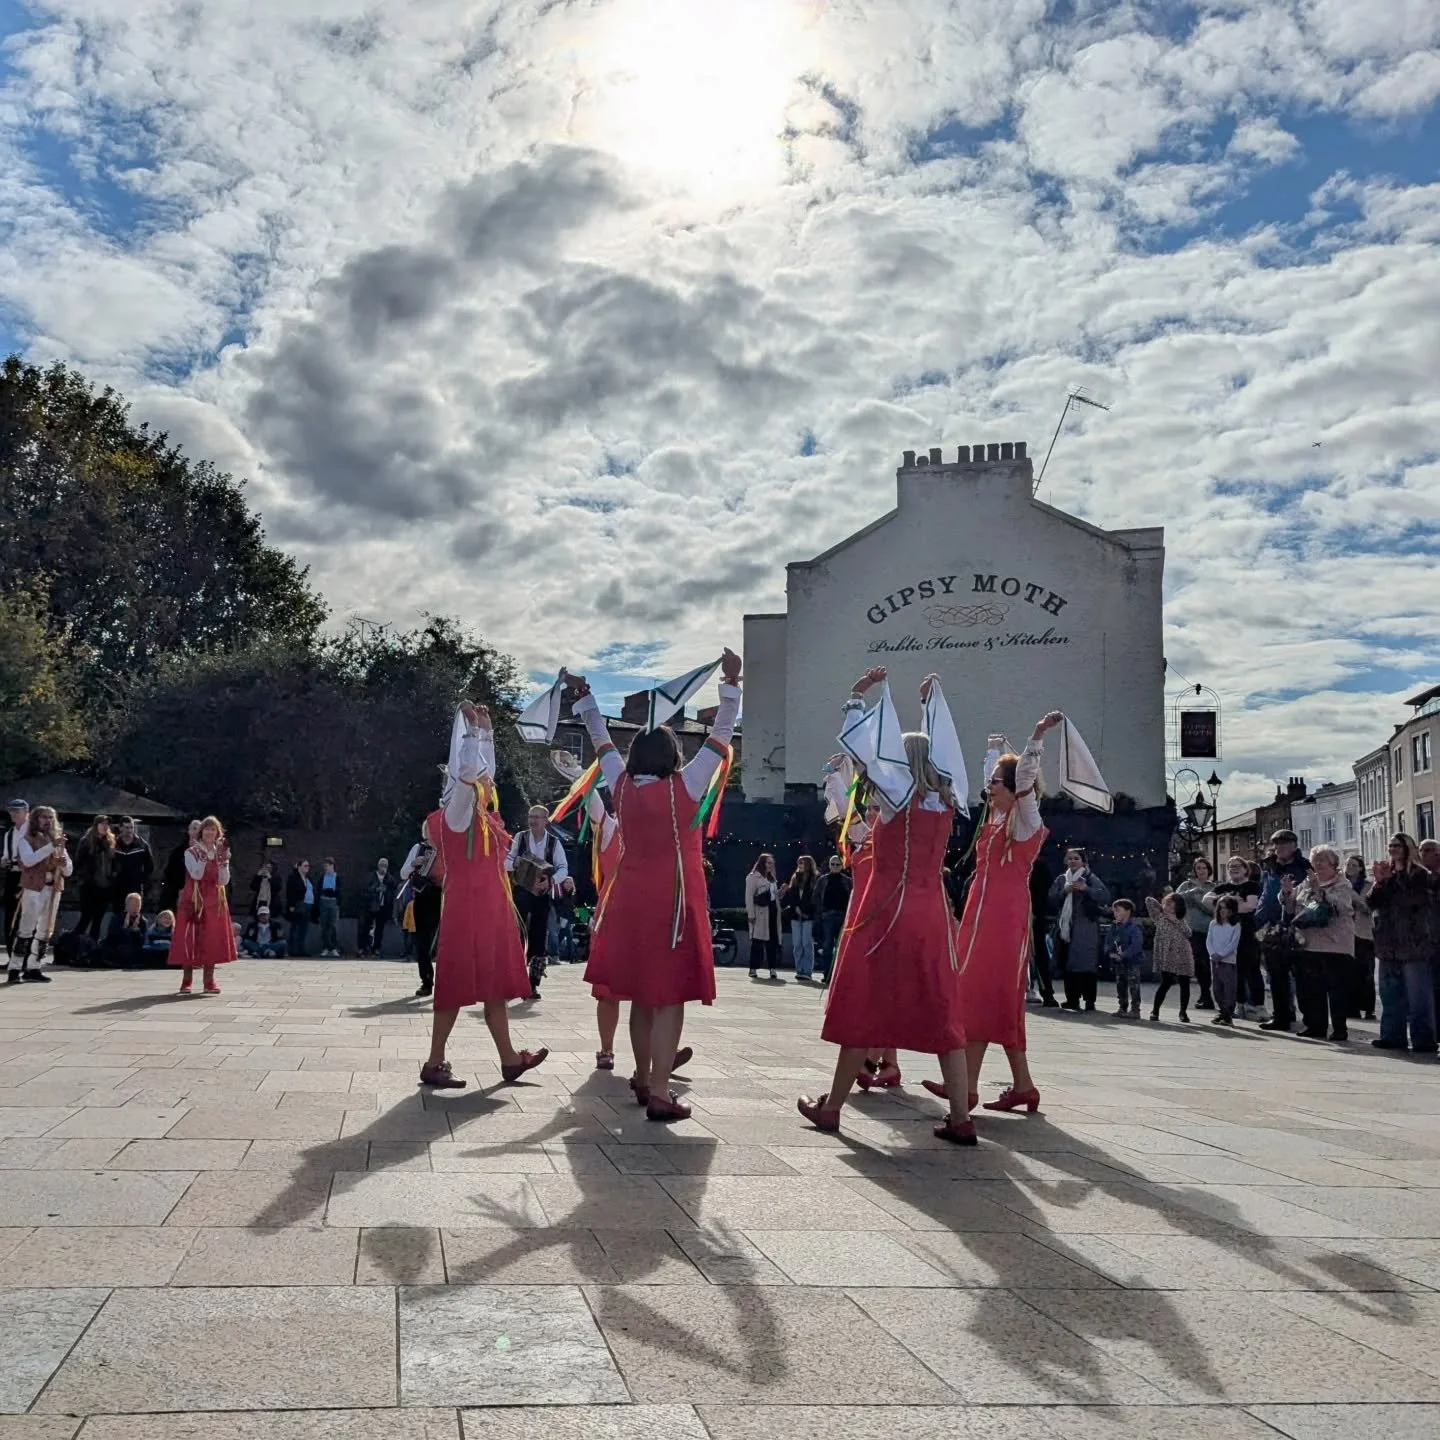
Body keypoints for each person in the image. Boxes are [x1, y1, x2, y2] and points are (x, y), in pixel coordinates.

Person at [800, 669, 978, 1143]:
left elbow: (864, 754)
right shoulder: (948, 801)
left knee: (864, 1005)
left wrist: (856, 697)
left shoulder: (897, 799)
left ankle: (833, 1107)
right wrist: (928, 702)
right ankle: (961, 1118)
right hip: (931, 914)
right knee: (943, 1012)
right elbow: (939, 743)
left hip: (885, 911)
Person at [565, 651, 741, 1123]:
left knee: (642, 995)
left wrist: (585, 700)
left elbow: (601, 742)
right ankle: (661, 1092)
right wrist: (730, 685)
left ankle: (643, 1077)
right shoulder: (684, 787)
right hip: (674, 901)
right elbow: (722, 738)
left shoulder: (619, 785)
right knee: (669, 999)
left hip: (627, 900)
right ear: (673, 756)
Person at [419, 701, 547, 1090]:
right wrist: (473, 733)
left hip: (487, 907)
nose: (491, 784)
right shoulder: (458, 813)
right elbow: (470, 773)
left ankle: (508, 1059)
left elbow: (482, 772)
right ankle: (435, 1061)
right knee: (456, 982)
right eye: (483, 782)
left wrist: (487, 731)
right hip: (469, 908)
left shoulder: (479, 815)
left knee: (492, 985)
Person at [1369, 834, 1437, 1055]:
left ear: (1407, 848)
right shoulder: (1388, 874)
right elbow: (1371, 903)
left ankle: (1423, 1040)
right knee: (1390, 995)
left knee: (1418, 997)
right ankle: (1392, 1036)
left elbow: (1413, 901)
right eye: (1390, 846)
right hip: (1388, 943)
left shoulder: (1420, 875)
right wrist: (1380, 882)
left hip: (1414, 943)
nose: (1392, 850)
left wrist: (1390, 881)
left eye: (1397, 845)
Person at [1282, 844, 1355, 1042]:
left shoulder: (1342, 884)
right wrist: (1287, 893)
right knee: (1312, 989)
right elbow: (1292, 909)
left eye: (1323, 861)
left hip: (1335, 944)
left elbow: (1340, 907)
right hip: (1309, 943)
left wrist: (1319, 891)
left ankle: (1339, 1028)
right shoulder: (1307, 882)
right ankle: (1315, 1026)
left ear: (1333, 864)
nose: (1319, 865)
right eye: (1315, 861)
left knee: (1336, 989)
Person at [506, 806, 573, 999]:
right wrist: (516, 863)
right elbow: (506, 861)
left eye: (537, 817)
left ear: (546, 820)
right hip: (520, 892)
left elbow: (563, 869)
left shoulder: (554, 843)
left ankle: (533, 984)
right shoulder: (520, 838)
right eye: (530, 816)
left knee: (538, 938)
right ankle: (514, 981)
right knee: (517, 935)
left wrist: (550, 881)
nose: (533, 820)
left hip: (542, 895)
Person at [169, 816, 238, 994]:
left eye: (213, 829)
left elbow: (223, 880)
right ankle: (187, 980)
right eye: (207, 829)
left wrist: (223, 862)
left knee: (212, 939)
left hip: (214, 900)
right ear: (201, 832)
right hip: (193, 900)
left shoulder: (220, 852)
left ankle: (209, 980)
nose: (209, 832)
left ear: (217, 833)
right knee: (190, 938)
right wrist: (206, 857)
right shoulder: (191, 852)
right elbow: (196, 875)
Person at [1255, 830, 1312, 1029]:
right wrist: (1259, 919)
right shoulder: (1269, 867)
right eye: (1277, 844)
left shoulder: (1304, 867)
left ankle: (1310, 1020)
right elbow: (1265, 893)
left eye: (1285, 844)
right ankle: (1281, 1016)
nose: (1280, 848)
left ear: (1294, 846)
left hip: (1295, 924)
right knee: (1276, 975)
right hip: (1270, 926)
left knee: (1301, 975)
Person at [6, 806, 70, 983]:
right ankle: (15, 967)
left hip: (53, 888)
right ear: (35, 819)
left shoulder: (56, 841)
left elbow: (69, 870)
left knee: (45, 931)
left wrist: (63, 863)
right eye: (44, 817)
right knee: (26, 928)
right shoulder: (26, 839)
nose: (47, 821)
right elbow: (28, 860)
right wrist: (51, 847)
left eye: (50, 817)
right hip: (34, 888)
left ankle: (34, 966)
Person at [1206, 854, 1265, 1023]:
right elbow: (1206, 900)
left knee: (1252, 969)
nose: (1234, 868)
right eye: (1231, 866)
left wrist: (1226, 905)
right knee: (1234, 973)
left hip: (1247, 932)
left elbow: (1250, 906)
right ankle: (1237, 1005)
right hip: (1226, 933)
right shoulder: (1222, 887)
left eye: (1238, 865)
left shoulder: (1251, 886)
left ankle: (1258, 1006)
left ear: (1246, 869)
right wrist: (1228, 901)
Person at [1052, 847, 1110, 1012]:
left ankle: (1089, 1000)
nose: (1072, 861)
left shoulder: (1090, 878)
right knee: (1069, 964)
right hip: (1066, 927)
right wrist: (1065, 891)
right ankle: (1072, 999)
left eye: (1076, 858)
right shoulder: (1062, 879)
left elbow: (1105, 896)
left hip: (1086, 928)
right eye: (1069, 858)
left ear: (1083, 861)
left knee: (1086, 964)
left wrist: (1086, 889)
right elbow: (1051, 899)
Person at [399, 824, 442, 998]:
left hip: (442, 897)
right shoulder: (418, 848)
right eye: (429, 829)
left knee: (442, 942)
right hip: (423, 898)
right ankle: (426, 981)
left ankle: (446, 983)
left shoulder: (447, 849)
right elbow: (403, 874)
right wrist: (413, 864)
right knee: (422, 942)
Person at [1174, 856, 1216, 1009]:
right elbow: (1174, 899)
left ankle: (1206, 995)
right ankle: (1205, 995)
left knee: (1205, 962)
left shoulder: (1213, 887)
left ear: (1209, 870)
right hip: (1191, 930)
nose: (1201, 871)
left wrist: (1199, 903)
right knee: (1198, 962)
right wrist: (1191, 893)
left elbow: (1215, 908)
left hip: (1208, 930)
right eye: (1198, 868)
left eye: (1204, 868)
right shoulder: (1187, 885)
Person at [1147, 893, 1194, 1022]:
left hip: (1183, 953)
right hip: (1167, 954)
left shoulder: (1181, 919)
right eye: (1166, 903)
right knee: (1166, 983)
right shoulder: (1159, 917)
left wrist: (1174, 918)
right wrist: (1163, 906)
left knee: (1185, 983)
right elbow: (1149, 900)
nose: (1168, 906)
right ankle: (1155, 1010)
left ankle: (1183, 1012)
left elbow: (1188, 932)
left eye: (1171, 904)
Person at [71, 815, 115, 942]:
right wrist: (83, 878)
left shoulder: (110, 842)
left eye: (107, 824)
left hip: (105, 886)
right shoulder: (87, 841)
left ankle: (92, 946)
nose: (105, 826)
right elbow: (79, 862)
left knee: (98, 918)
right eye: (102, 824)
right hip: (89, 885)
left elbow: (113, 862)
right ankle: (73, 943)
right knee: (86, 917)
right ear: (96, 826)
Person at [1346, 855, 1376, 1020]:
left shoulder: (1368, 886)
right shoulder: (1341, 886)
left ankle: (1368, 1008)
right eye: (1348, 864)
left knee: (1366, 972)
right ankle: (1352, 1007)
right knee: (1349, 973)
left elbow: (1368, 908)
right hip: (1345, 934)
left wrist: (1353, 897)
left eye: (1353, 865)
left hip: (1364, 933)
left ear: (1360, 869)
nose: (1349, 867)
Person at [815, 854, 852, 985]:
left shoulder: (847, 881)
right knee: (827, 946)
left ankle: (840, 975)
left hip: (843, 916)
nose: (835, 867)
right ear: (829, 865)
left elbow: (852, 897)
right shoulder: (823, 880)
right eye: (833, 864)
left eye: (837, 864)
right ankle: (827, 974)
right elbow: (817, 897)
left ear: (842, 866)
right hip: (828, 916)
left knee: (842, 947)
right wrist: (821, 913)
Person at [782, 855, 821, 981]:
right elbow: (791, 896)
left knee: (806, 943)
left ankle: (807, 970)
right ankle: (799, 969)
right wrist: (796, 907)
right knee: (797, 944)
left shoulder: (815, 879)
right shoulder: (795, 878)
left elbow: (815, 899)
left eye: (802, 863)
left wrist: (807, 911)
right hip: (795, 915)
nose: (800, 866)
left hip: (808, 916)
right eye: (799, 863)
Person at [1027, 854, 1059, 1007]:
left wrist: (1034, 909)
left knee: (1039, 953)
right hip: (1015, 912)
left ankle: (1047, 992)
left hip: (1034, 915)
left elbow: (1045, 891)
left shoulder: (1038, 865)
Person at [744, 853, 781, 980]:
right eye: (768, 862)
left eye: (772, 863)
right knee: (757, 942)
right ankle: (753, 968)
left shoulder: (772, 878)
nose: (770, 865)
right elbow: (749, 896)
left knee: (772, 942)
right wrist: (751, 914)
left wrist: (782, 892)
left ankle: (772, 969)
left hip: (772, 911)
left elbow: (774, 896)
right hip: (760, 912)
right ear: (762, 863)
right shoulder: (753, 877)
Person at [1207, 896, 1242, 1026]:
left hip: (1228, 961)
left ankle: (1228, 1013)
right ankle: (1221, 1011)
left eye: (1225, 908)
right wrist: (1213, 954)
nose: (1222, 911)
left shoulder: (1235, 925)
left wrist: (1222, 954)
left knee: (1229, 988)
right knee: (1216, 987)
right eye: (1220, 908)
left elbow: (1233, 944)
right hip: (1214, 960)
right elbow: (1209, 940)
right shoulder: (1213, 924)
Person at [2, 798, 29, 961]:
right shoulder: (9, 833)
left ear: (26, 812)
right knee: (10, 916)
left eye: (17, 811)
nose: (14, 814)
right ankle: (12, 957)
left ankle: (24, 959)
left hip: (27, 876)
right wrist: (4, 861)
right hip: (12, 875)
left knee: (25, 917)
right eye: (12, 811)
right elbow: (6, 855)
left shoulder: (31, 832)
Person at [1107, 899, 1144, 1017]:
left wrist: (1123, 955)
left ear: (1128, 911)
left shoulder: (1134, 927)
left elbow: (1136, 945)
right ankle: (1122, 1007)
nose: (1115, 913)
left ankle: (1135, 1009)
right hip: (1118, 962)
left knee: (1134, 986)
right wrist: (1110, 952)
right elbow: (1108, 941)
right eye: (1114, 911)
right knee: (1120, 985)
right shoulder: (1115, 926)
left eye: (1118, 911)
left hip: (1132, 961)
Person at [110, 818, 154, 916]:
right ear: (120, 828)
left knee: (135, 913)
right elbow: (108, 863)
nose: (129, 830)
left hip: (135, 886)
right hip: (118, 886)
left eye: (131, 827)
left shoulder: (142, 845)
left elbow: (149, 866)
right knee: (118, 913)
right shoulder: (113, 844)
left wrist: (141, 879)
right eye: (126, 827)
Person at [358, 858, 396, 957]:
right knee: (365, 928)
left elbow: (393, 891)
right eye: (381, 865)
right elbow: (365, 890)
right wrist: (376, 889)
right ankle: (363, 948)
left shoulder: (389, 878)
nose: (383, 868)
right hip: (370, 906)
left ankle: (376, 949)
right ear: (378, 866)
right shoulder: (371, 876)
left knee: (379, 929)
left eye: (385, 866)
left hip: (383, 907)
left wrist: (387, 888)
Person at [160, 821, 200, 913]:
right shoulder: (178, 852)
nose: (196, 832)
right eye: (193, 829)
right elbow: (170, 873)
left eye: (198, 829)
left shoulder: (206, 852)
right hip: (180, 890)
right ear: (188, 831)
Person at [105, 891, 149, 965]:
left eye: (138, 905)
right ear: (126, 906)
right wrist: (124, 928)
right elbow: (111, 936)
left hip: (134, 950)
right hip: (117, 948)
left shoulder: (143, 921)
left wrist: (136, 932)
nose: (135, 908)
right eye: (132, 905)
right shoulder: (117, 918)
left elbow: (143, 941)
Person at [285, 859, 315, 957]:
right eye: (305, 866)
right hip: (298, 905)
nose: (307, 868)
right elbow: (290, 892)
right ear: (299, 867)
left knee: (304, 928)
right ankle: (292, 949)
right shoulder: (294, 878)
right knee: (295, 927)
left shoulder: (307, 878)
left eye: (308, 866)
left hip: (308, 905)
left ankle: (301, 949)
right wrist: (291, 905)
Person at [316, 858, 342, 957]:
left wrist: (331, 892)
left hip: (333, 902)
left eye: (327, 866)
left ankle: (334, 947)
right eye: (324, 866)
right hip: (324, 901)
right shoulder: (322, 877)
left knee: (333, 925)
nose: (325, 868)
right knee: (324, 925)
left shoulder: (337, 877)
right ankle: (325, 947)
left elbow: (338, 891)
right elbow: (319, 890)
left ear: (332, 866)